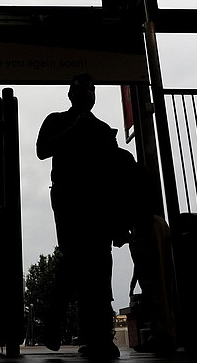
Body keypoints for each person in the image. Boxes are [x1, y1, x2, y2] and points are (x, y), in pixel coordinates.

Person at [36, 73, 120, 358]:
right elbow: (42, 150)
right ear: (70, 95)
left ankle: (96, 337)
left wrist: (118, 217)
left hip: (98, 204)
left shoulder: (102, 128)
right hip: (69, 200)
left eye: (92, 89)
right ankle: (54, 325)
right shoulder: (57, 120)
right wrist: (75, 129)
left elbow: (113, 173)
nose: (88, 93)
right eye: (83, 89)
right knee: (74, 259)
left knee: (98, 267)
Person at [110, 147, 176, 355]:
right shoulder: (135, 168)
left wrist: (123, 232)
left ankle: (164, 334)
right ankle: (166, 332)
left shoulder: (119, 173)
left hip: (145, 228)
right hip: (154, 224)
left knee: (154, 286)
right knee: (163, 283)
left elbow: (122, 205)